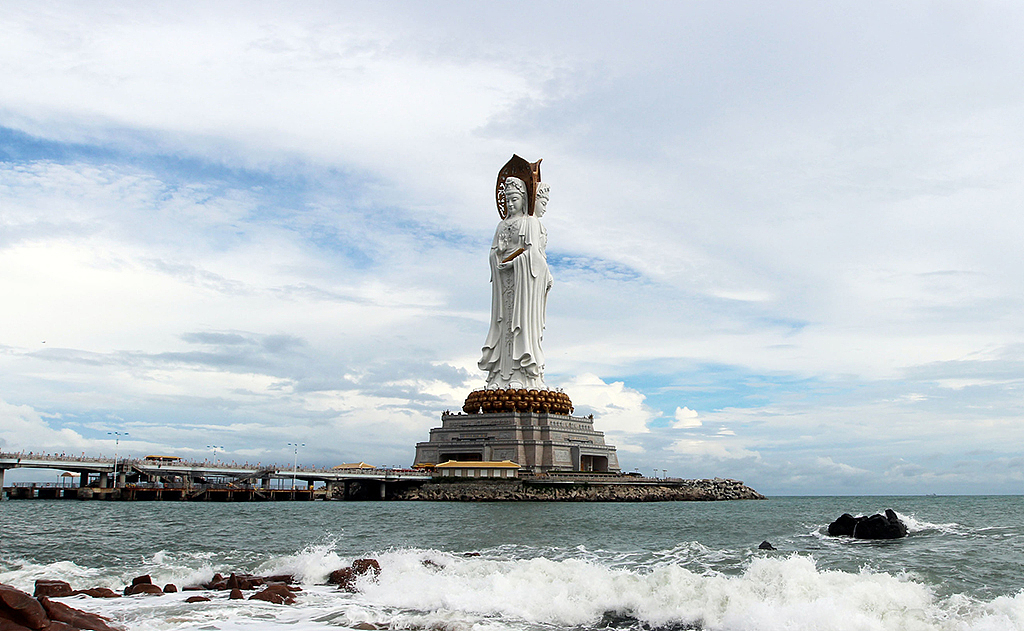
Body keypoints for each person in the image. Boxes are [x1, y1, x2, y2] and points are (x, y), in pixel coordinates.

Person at [479, 176, 553, 389]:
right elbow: (493, 254)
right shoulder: (501, 225)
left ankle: (522, 374)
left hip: (525, 285)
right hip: (506, 285)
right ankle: (499, 377)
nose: (510, 205)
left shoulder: (530, 223)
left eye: (514, 200)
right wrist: (499, 255)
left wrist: (518, 262)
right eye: (507, 201)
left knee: (523, 325)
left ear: (523, 199)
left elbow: (535, 256)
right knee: (504, 327)